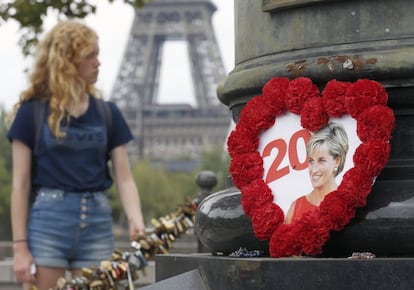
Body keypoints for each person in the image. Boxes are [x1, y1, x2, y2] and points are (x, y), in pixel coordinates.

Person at [7, 20, 146, 290]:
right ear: (68, 62)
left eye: (98, 54)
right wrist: (20, 248)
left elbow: (125, 178)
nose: (98, 62)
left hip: (97, 222)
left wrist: (135, 219)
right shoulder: (31, 113)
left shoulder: (108, 113)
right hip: (48, 223)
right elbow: (20, 185)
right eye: (90, 55)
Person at [285, 122, 349, 224]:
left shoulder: (346, 206)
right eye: (311, 161)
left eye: (321, 161)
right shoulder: (296, 207)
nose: (314, 170)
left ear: (337, 161)